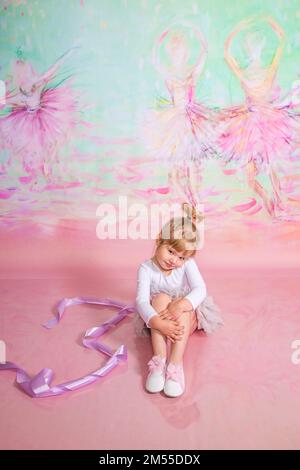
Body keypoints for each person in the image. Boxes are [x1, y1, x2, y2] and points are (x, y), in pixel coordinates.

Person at [134, 203, 223, 397]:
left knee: (183, 307)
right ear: (159, 240)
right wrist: (158, 322)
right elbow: (141, 302)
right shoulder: (146, 268)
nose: (174, 260)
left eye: (181, 257)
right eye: (171, 252)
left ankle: (175, 363)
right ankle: (159, 360)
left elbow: (200, 289)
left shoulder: (187, 265)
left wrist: (181, 304)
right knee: (159, 298)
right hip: (159, 317)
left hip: (185, 317)